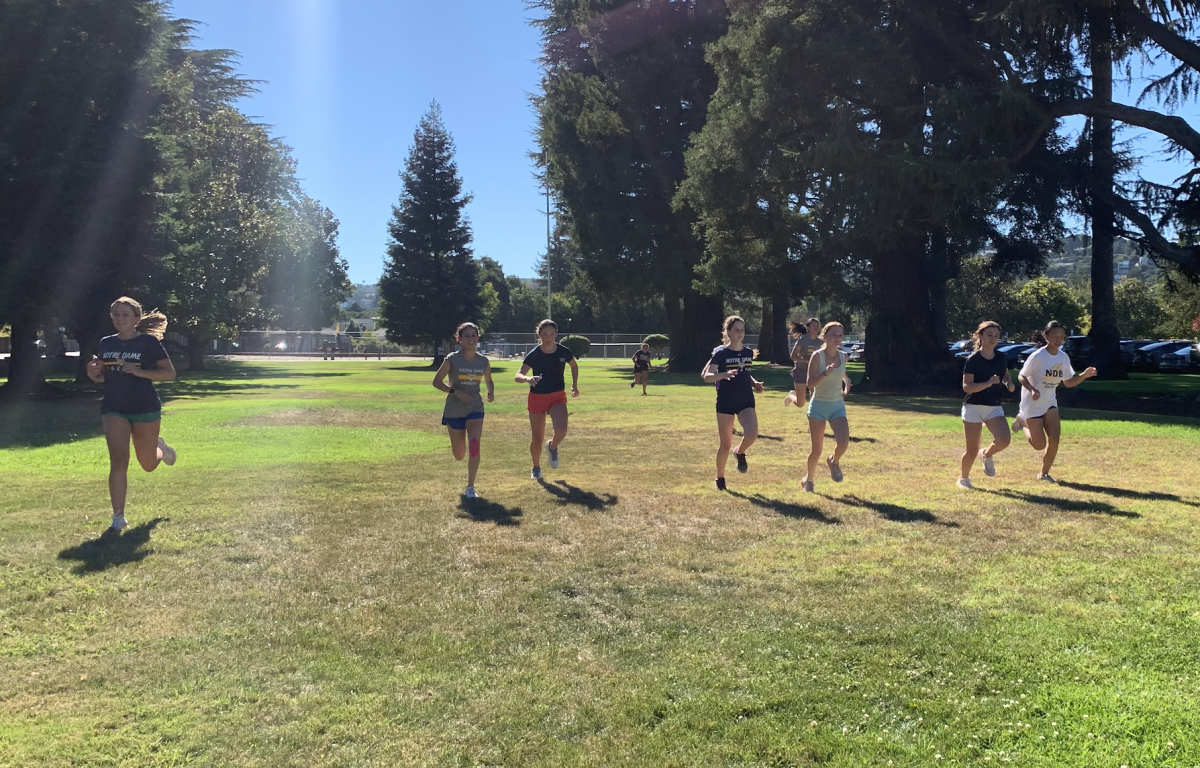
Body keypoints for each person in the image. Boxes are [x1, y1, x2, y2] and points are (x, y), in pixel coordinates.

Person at [84, 297, 178, 531]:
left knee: (147, 464)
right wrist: (93, 373)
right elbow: (104, 377)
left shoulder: (148, 343)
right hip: (114, 407)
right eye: (116, 314)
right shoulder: (106, 343)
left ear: (136, 318)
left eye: (125, 314)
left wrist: (140, 372)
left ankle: (162, 450)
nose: (120, 318)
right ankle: (118, 517)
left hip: (145, 408)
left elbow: (169, 374)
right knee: (119, 462)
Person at [1012, 320, 1097, 482]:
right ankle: (1022, 423)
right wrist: (1032, 390)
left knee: (1055, 439)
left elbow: (1069, 382)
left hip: (1050, 402)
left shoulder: (1063, 358)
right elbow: (1021, 376)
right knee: (1039, 445)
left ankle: (1044, 474)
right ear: (1046, 336)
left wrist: (1084, 375)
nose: (1058, 339)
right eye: (1055, 335)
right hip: (1032, 404)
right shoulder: (1038, 356)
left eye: (1061, 336)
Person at [432, 322, 495, 499]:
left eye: (473, 335)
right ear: (459, 339)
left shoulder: (483, 361)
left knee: (474, 445)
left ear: (478, 338)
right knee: (459, 454)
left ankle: (471, 487)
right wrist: (455, 391)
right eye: (466, 336)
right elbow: (436, 382)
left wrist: (490, 391)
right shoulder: (452, 359)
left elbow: (489, 380)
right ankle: (461, 452)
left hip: (475, 407)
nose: (470, 339)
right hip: (454, 409)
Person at [702, 315, 764, 491]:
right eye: (736, 330)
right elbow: (707, 377)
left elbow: (744, 372)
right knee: (725, 444)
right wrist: (724, 375)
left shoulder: (748, 353)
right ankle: (720, 477)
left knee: (752, 434)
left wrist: (754, 383)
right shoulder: (721, 353)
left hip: (745, 400)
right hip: (726, 401)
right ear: (728, 332)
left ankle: (740, 452)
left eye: (742, 330)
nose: (740, 333)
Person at [516, 319, 580, 479]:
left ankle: (552, 446)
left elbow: (574, 365)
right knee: (537, 438)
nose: (548, 337)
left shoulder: (563, 352)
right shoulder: (534, 354)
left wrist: (574, 385)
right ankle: (536, 467)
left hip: (557, 396)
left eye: (552, 334)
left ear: (556, 334)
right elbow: (518, 375)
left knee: (562, 429)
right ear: (539, 335)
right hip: (537, 397)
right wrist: (528, 379)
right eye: (545, 334)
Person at [957, 320, 1016, 489]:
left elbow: (1004, 374)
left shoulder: (1001, 357)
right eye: (989, 335)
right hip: (973, 407)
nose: (993, 339)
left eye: (996, 336)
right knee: (972, 449)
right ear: (980, 336)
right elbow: (967, 386)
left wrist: (1008, 383)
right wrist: (987, 383)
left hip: (994, 406)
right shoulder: (973, 359)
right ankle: (963, 479)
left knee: (1004, 440)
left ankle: (987, 454)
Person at [802, 321, 853, 493]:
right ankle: (809, 480)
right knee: (816, 450)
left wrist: (847, 383)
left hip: (837, 406)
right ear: (824, 336)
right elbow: (809, 384)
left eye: (840, 335)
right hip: (818, 408)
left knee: (844, 442)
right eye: (833, 334)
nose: (837, 338)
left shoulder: (843, 356)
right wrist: (825, 374)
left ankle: (834, 461)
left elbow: (843, 374)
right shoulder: (817, 356)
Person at [784, 317, 822, 408]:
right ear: (808, 327)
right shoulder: (803, 339)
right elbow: (793, 356)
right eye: (814, 325)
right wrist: (806, 361)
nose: (816, 327)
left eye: (818, 326)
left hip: (814, 372)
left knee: (815, 398)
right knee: (800, 404)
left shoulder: (820, 342)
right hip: (801, 370)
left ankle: (814, 418)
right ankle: (791, 396)